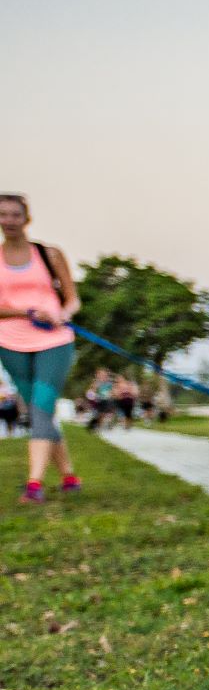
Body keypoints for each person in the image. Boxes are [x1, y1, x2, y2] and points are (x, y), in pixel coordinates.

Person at [0, 193, 82, 502]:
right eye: (2, 215)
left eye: (14, 214)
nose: (8, 220)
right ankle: (69, 476)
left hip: (54, 340)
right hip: (10, 342)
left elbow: (73, 298)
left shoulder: (49, 255)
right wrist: (24, 312)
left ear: (26, 218)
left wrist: (62, 314)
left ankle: (34, 484)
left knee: (40, 409)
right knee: (40, 412)